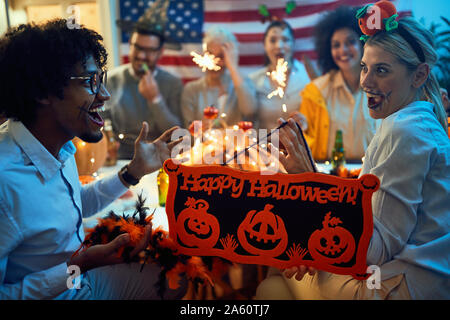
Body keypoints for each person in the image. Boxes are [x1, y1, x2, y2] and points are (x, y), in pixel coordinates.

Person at [256, 7, 450, 300]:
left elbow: (374, 251)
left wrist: (308, 178)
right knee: (276, 280)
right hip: (415, 275)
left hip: (395, 286)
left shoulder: (403, 130)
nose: (365, 82)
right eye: (365, 67)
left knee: (276, 264)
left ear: (419, 75)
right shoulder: (416, 120)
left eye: (381, 70)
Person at [0, 19, 186, 299]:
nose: (105, 94)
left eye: (101, 79)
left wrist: (133, 171)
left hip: (81, 280)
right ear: (42, 92)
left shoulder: (58, 146)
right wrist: (81, 264)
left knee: (176, 278)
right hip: (67, 288)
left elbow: (74, 202)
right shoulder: (5, 182)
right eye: (89, 82)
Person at [299, 6, 379, 161]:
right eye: (336, 45)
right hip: (329, 176)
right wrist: (300, 129)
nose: (343, 50)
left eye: (350, 42)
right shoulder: (315, 91)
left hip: (374, 177)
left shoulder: (382, 86)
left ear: (364, 45)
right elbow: (305, 144)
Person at [102, 25, 183, 159]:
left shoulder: (173, 84)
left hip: (160, 160)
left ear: (160, 52)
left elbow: (177, 134)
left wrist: (155, 100)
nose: (141, 55)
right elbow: (102, 123)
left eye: (149, 50)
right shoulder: (110, 80)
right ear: (130, 45)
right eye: (137, 47)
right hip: (121, 159)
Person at [181, 25, 256, 129]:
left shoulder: (242, 83)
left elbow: (250, 111)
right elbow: (187, 133)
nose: (214, 62)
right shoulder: (192, 89)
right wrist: (199, 130)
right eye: (210, 54)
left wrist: (233, 67)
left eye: (221, 56)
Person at [249, 20, 311, 130]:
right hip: (266, 145)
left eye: (285, 40)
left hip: (301, 144)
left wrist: (305, 123)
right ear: (264, 45)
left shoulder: (307, 76)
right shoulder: (254, 81)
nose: (279, 46)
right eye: (273, 40)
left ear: (293, 44)